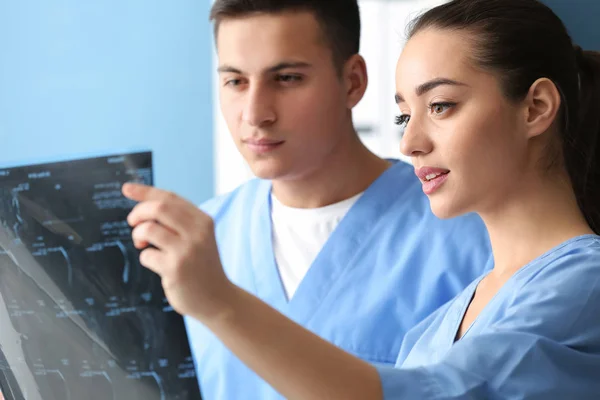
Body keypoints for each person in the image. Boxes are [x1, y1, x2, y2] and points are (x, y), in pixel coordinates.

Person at [124, 0, 600, 396]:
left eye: (441, 106)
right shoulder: (442, 323)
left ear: (536, 107)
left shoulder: (581, 283)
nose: (409, 141)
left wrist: (219, 302)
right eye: (403, 116)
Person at [166, 1, 491, 399]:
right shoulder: (196, 246)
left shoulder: (468, 237)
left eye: (286, 78)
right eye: (235, 82)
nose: (254, 114)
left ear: (352, 81)